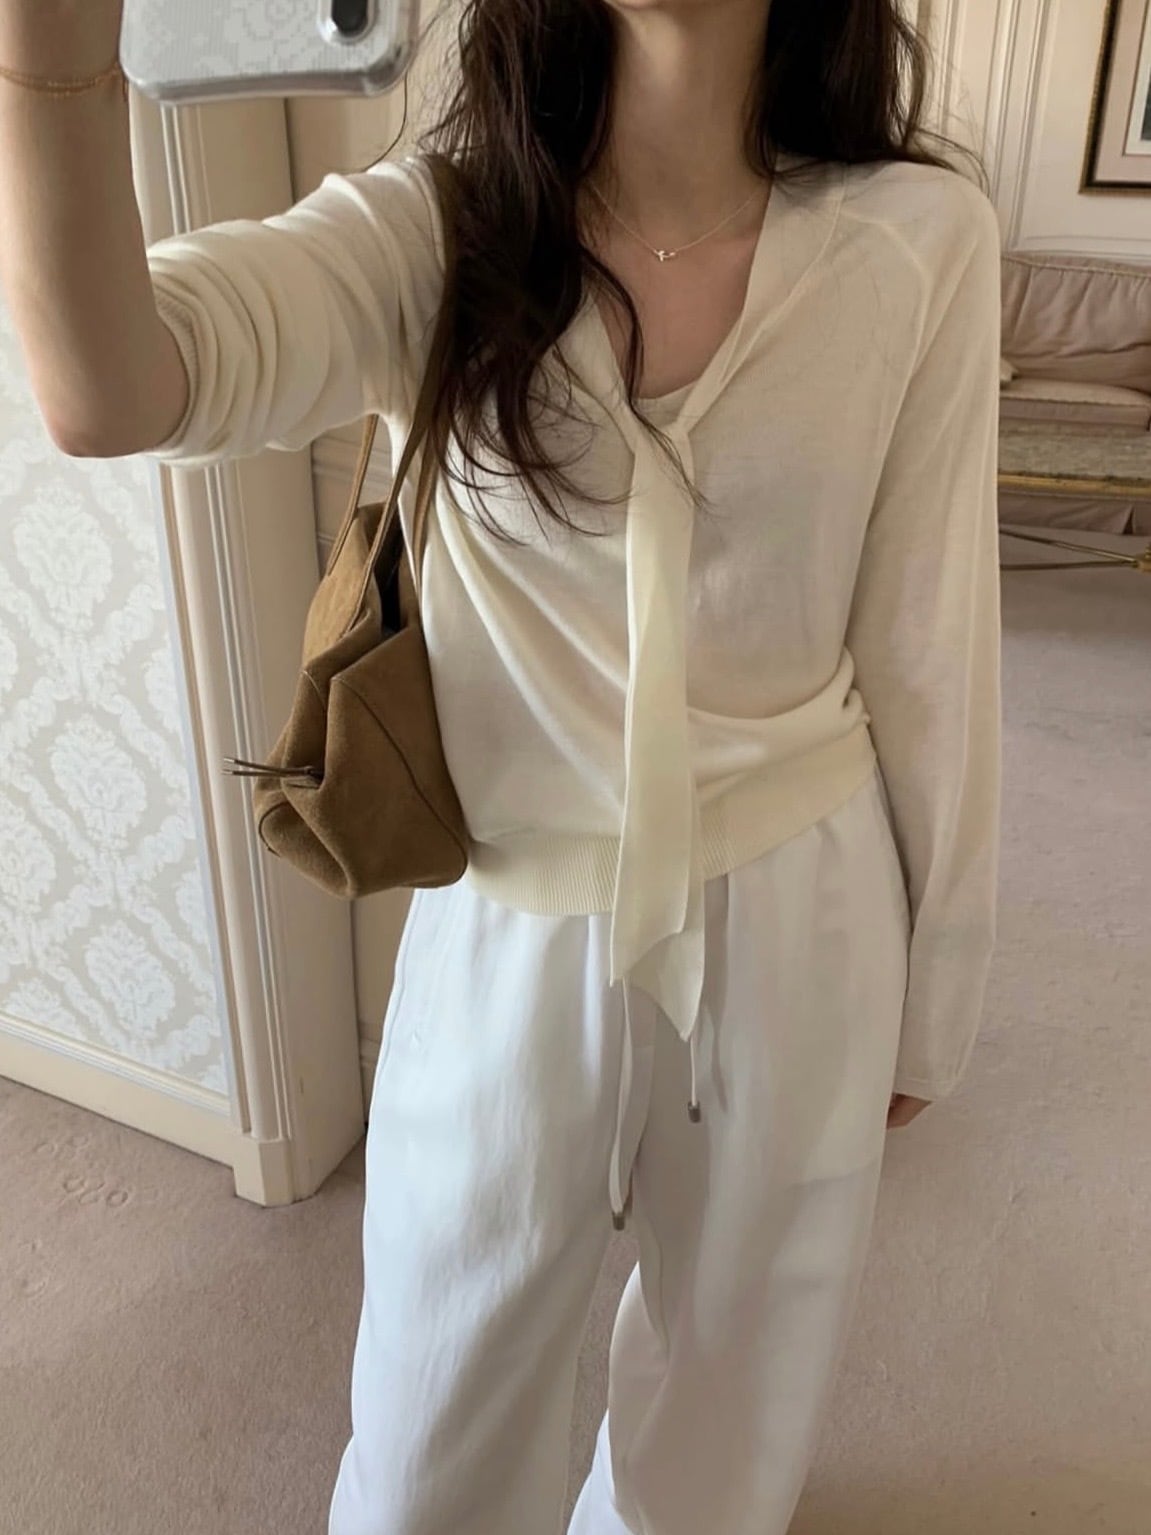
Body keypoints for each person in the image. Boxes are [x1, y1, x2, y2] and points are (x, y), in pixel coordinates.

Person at [0, 0, 1002, 1530]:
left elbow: (934, 648)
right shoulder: (437, 230)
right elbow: (113, 388)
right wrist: (48, 59)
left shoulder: (921, 239)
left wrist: (934, 1005)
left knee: (727, 1430)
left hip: (806, 918)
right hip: (508, 932)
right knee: (434, 1431)